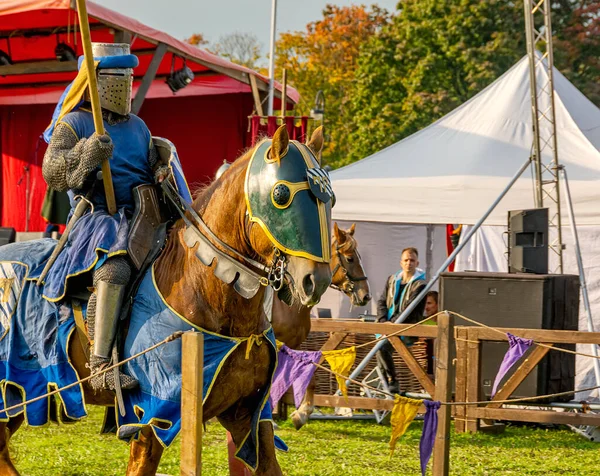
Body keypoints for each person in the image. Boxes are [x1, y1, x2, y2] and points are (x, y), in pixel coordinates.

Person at [42, 42, 170, 392]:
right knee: (114, 268)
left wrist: (160, 168)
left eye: (130, 78)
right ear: (98, 82)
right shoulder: (75, 123)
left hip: (143, 216)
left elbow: (148, 165)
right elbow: (52, 174)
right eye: (118, 78)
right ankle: (100, 366)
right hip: (99, 218)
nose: (126, 86)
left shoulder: (139, 126)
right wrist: (86, 153)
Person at [376, 247, 427, 394]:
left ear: (417, 263)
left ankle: (392, 380)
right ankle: (386, 387)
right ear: (401, 263)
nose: (409, 263)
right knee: (379, 346)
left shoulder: (421, 285)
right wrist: (382, 321)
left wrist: (390, 326)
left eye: (412, 260)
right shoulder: (392, 279)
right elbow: (381, 302)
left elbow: (409, 309)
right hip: (387, 326)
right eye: (406, 260)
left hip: (406, 327)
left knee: (382, 347)